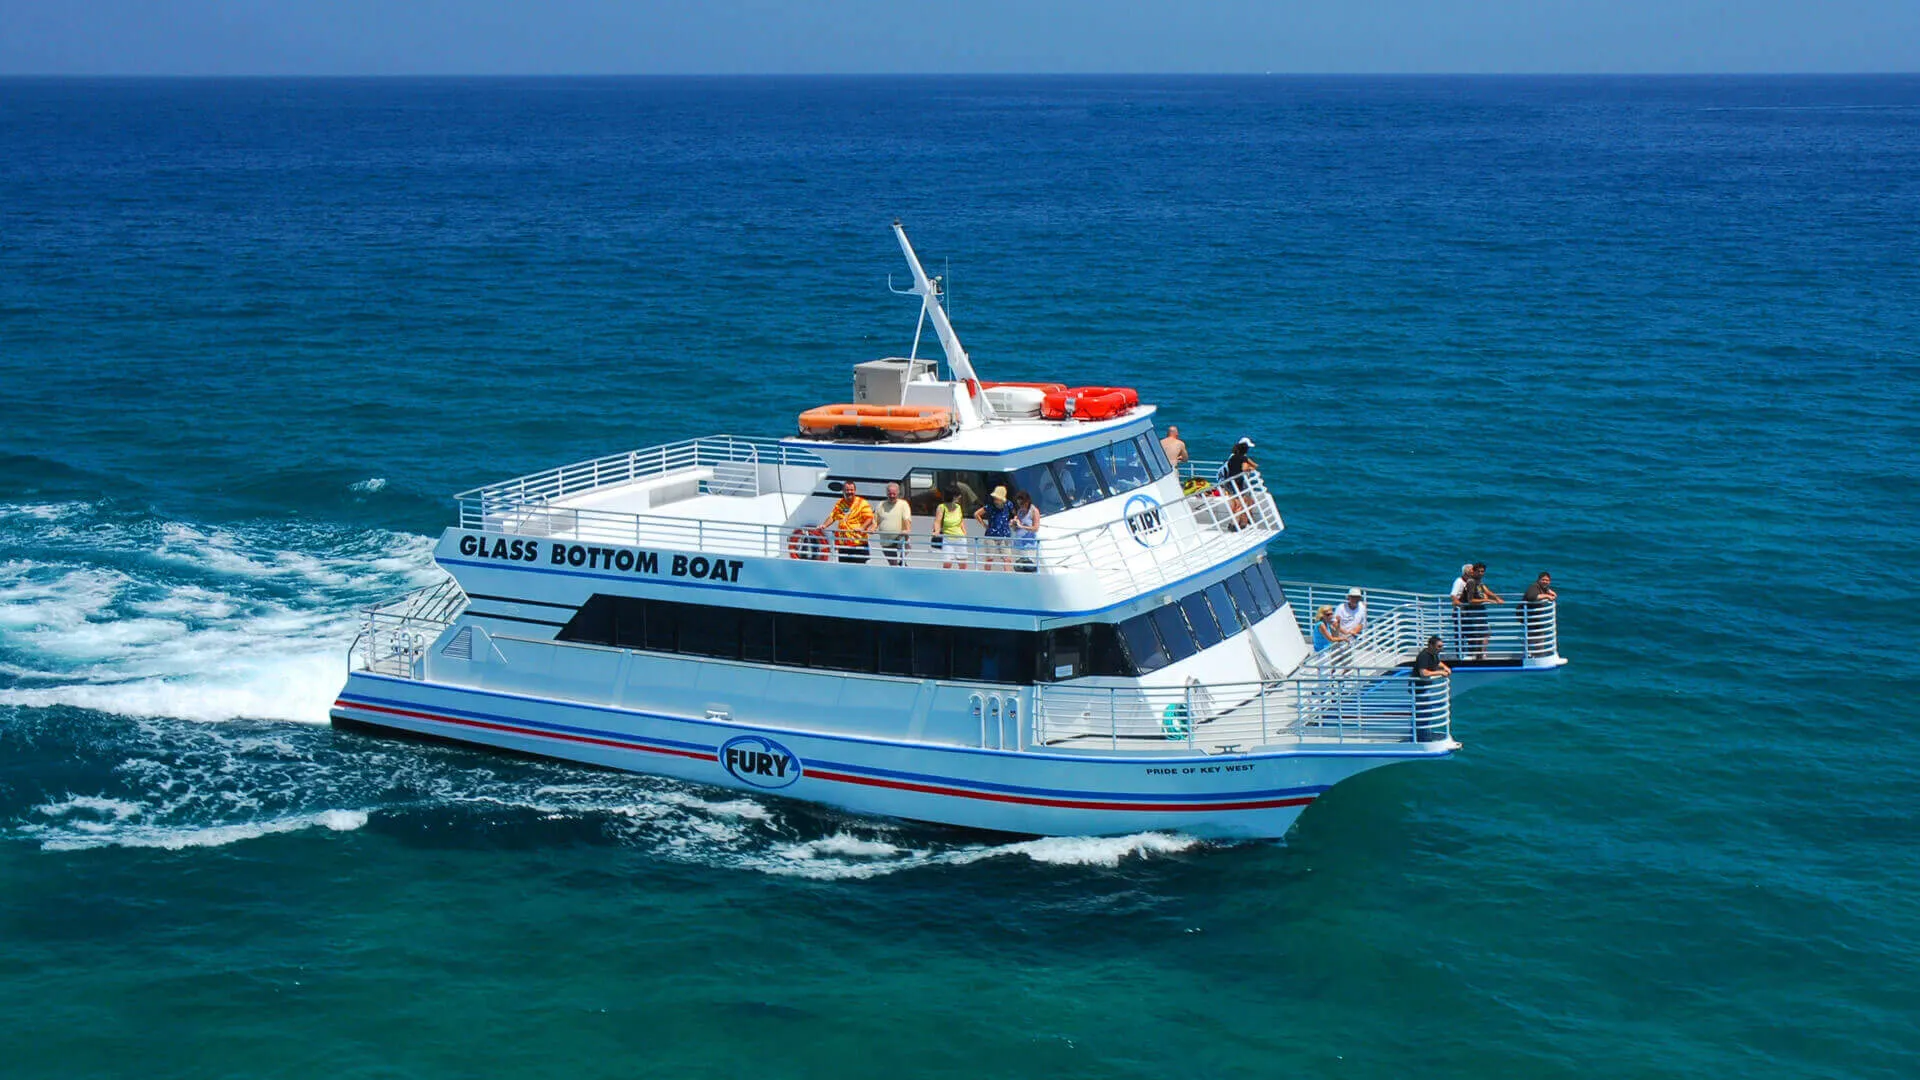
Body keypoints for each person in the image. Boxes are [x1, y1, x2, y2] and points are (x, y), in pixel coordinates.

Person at [820, 481, 875, 564]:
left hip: (858, 545)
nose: (849, 492)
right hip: (844, 545)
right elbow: (833, 516)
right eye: (847, 490)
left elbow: (869, 518)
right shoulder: (840, 503)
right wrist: (824, 525)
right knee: (844, 570)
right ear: (843, 491)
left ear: (855, 491)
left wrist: (862, 528)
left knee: (859, 571)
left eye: (851, 490)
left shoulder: (862, 503)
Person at [1411, 634, 1452, 742]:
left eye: (1441, 646)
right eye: (1439, 646)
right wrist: (1440, 672)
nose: (1441, 649)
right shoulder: (1424, 656)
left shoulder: (1434, 654)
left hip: (1425, 687)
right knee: (1422, 713)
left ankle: (1423, 734)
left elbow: (1437, 662)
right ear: (1431, 646)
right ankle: (1421, 737)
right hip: (1420, 689)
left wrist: (1445, 667)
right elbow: (1423, 672)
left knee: (1427, 712)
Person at [1458, 562, 1503, 658]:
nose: (1481, 573)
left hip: (1479, 613)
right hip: (1472, 613)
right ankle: (1476, 656)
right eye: (1478, 571)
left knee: (1485, 633)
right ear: (1473, 572)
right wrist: (1486, 600)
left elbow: (1487, 591)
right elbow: (1470, 600)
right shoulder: (1471, 582)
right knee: (1476, 636)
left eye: (1482, 571)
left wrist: (1496, 598)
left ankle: (1481, 654)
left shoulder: (1479, 582)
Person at [1217, 437, 1258, 528]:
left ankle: (1236, 523)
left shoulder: (1232, 457)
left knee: (1236, 503)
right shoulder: (1243, 458)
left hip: (1229, 482)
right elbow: (1245, 468)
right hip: (1238, 483)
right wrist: (1249, 468)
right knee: (1240, 504)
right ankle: (1235, 524)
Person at [974, 485, 1014, 571]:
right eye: (995, 498)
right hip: (991, 535)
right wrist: (985, 525)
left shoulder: (1009, 504)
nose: (995, 500)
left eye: (997, 498)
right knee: (989, 558)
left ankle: (1008, 577)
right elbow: (976, 514)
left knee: (1007, 559)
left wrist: (1012, 521)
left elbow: (1014, 514)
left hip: (1004, 535)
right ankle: (987, 576)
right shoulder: (990, 506)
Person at [874, 481, 912, 567]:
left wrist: (907, 530)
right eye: (890, 494)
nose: (892, 496)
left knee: (906, 544)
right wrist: (872, 529)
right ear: (887, 493)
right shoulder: (881, 505)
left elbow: (907, 519)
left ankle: (902, 561)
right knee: (893, 565)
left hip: (899, 537)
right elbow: (876, 521)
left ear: (898, 493)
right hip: (886, 540)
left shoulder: (903, 504)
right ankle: (898, 569)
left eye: (894, 494)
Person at [1521, 571, 1557, 656]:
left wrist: (1550, 592)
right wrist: (1547, 596)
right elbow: (1532, 597)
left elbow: (1552, 594)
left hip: (1533, 616)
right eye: (1543, 580)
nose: (1545, 582)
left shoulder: (1543, 588)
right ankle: (1532, 654)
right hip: (1527, 615)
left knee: (1538, 634)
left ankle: (1534, 653)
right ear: (1538, 580)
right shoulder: (1534, 587)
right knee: (1537, 634)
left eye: (1547, 580)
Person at [931, 489, 968, 569]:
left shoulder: (958, 507)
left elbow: (961, 520)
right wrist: (937, 531)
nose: (960, 497)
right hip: (947, 539)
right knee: (947, 563)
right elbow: (937, 521)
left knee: (963, 564)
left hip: (960, 538)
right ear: (953, 497)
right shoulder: (942, 507)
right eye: (958, 496)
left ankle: (962, 580)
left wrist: (964, 531)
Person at [1010, 490, 1041, 571]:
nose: (1020, 506)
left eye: (1021, 504)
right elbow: (1015, 528)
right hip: (1019, 547)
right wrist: (1013, 524)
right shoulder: (1020, 511)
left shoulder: (1034, 511)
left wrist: (1022, 526)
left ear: (1027, 502)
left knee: (1029, 569)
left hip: (1029, 548)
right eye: (1019, 504)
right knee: (1019, 570)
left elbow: (1036, 528)